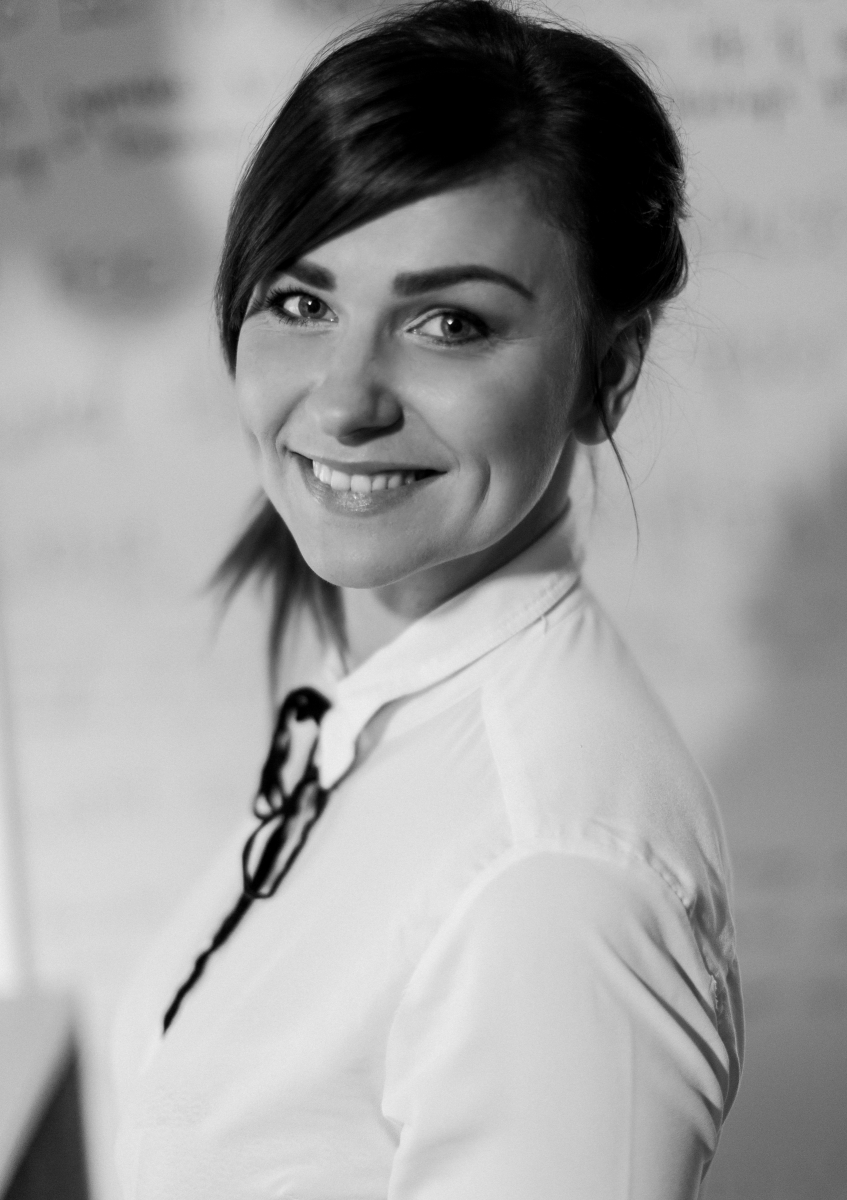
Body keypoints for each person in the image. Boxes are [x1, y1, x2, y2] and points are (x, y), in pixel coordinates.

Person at [112, 2, 743, 1196]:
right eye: (302, 303)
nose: (342, 400)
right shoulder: (375, 707)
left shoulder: (552, 881)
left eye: (449, 323)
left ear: (607, 373)